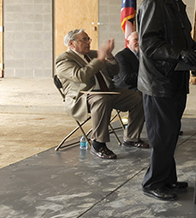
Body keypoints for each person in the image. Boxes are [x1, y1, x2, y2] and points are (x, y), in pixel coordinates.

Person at [136, 0, 196, 201]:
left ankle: (167, 179)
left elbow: (185, 41)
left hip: (174, 79)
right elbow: (149, 44)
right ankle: (153, 182)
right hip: (158, 82)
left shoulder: (175, 5)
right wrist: (180, 54)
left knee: (171, 133)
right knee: (162, 135)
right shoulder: (154, 3)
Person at [55, 29, 149, 160]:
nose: (88, 42)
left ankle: (131, 137)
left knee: (139, 97)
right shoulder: (63, 59)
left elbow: (115, 72)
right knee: (102, 99)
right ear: (72, 43)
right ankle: (98, 145)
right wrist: (99, 59)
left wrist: (109, 56)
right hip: (83, 96)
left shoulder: (93, 54)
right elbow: (81, 76)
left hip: (107, 91)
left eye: (89, 39)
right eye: (84, 39)